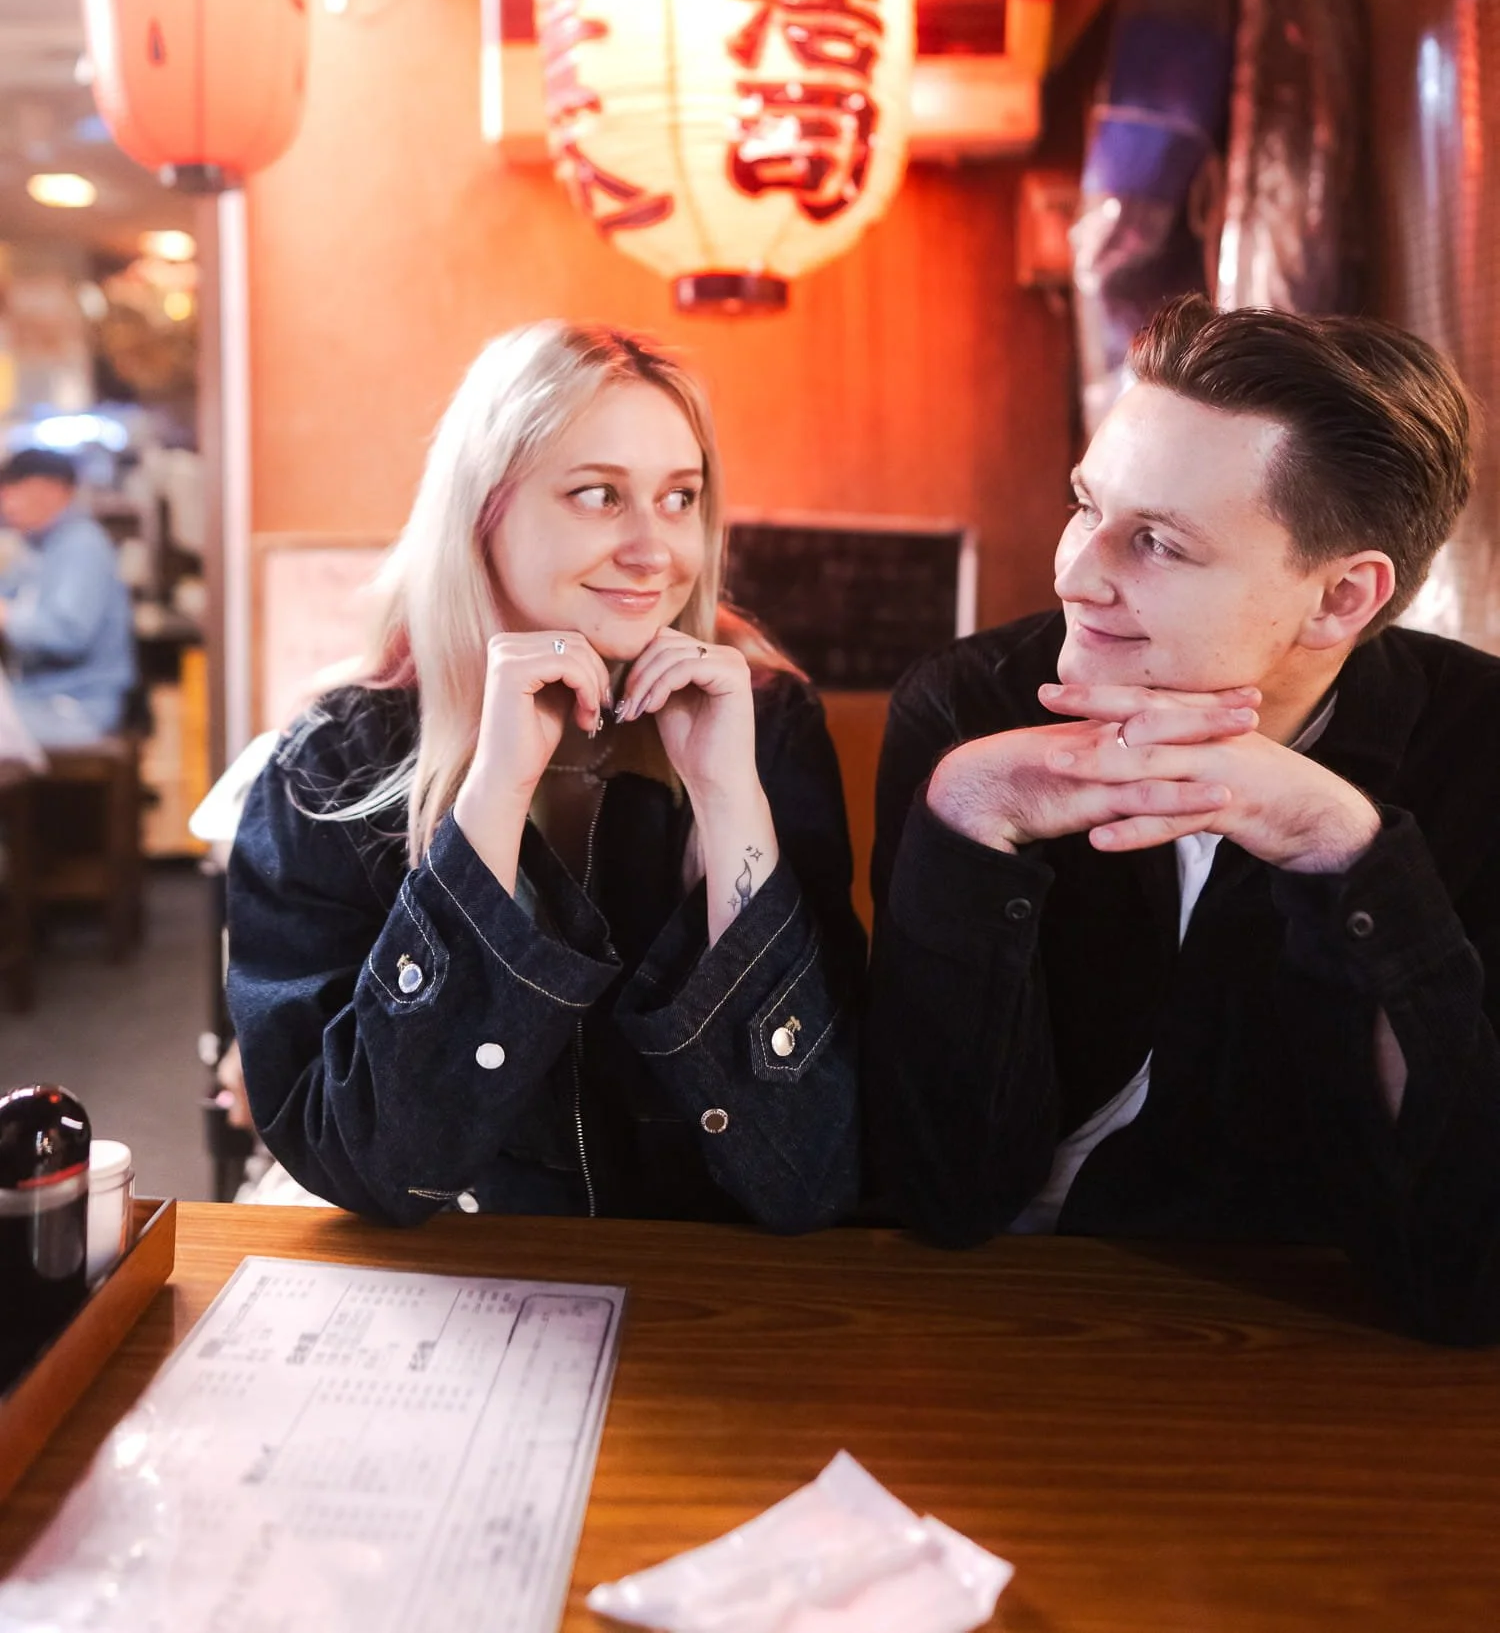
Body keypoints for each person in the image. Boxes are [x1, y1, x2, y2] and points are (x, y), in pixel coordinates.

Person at [867, 294, 1500, 1344]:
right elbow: (939, 1191)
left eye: (1157, 542)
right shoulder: (967, 708)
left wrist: (1347, 857)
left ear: (1340, 599)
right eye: (1087, 506)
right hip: (975, 1314)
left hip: (1294, 1337)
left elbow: (1465, 1277)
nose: (1075, 574)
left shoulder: (1480, 755)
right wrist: (966, 831)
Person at [227, 323, 863, 1230]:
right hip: (455, 1287)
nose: (654, 550)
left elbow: (814, 1171)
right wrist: (491, 799)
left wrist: (728, 803)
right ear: (483, 509)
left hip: (704, 1287)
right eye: (598, 495)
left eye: (679, 498)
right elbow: (368, 1166)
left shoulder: (765, 724)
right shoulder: (335, 759)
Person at [0, 447, 134, 747]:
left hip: (72, 709)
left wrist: (5, 615)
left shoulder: (81, 545)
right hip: (33, 700)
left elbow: (68, 634)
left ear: (52, 490)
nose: (6, 506)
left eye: (12, 493)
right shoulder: (39, 547)